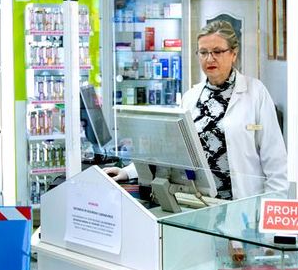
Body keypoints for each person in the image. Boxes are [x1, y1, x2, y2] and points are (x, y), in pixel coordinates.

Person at [107, 20, 288, 200]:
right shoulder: (191, 97)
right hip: (199, 201)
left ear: (233, 53)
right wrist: (128, 171)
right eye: (203, 52)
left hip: (243, 203)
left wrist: (270, 210)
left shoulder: (256, 93)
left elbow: (275, 160)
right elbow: (170, 151)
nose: (210, 58)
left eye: (217, 51)